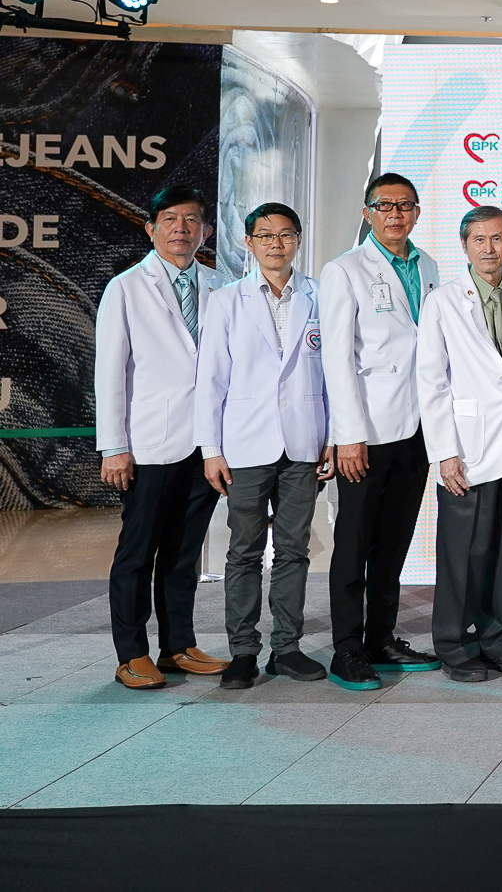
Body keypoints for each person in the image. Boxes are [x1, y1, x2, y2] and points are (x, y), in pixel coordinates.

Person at [95, 186, 232, 689]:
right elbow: (110, 373)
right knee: (138, 552)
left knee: (184, 551)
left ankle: (178, 646)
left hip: (206, 445)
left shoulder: (221, 286)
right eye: (170, 219)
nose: (181, 228)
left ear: (206, 231)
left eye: (191, 220)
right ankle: (131, 654)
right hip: (149, 443)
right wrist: (114, 446)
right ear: (151, 228)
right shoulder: (126, 288)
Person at [193, 202, 331, 690]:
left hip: (304, 443)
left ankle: (287, 649)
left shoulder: (321, 295)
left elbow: (335, 373)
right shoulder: (226, 301)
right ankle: (243, 652)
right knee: (244, 552)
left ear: (298, 240)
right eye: (265, 235)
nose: (276, 243)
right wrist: (210, 449)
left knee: (294, 550)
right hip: (245, 445)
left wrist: (334, 436)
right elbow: (210, 379)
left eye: (286, 234)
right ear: (249, 243)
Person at [319, 172, 443, 690]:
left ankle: (381, 638)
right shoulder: (343, 270)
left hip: (417, 428)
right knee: (354, 542)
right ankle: (347, 649)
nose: (395, 214)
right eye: (384, 205)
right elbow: (336, 358)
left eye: (405, 205)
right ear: (367, 211)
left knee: (394, 542)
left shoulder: (428, 265)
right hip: (366, 431)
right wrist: (348, 434)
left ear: (416, 212)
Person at [416, 205, 502, 682]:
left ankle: (499, 641)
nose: (489, 248)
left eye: (497, 238)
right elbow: (432, 382)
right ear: (465, 245)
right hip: (466, 448)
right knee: (462, 554)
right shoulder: (442, 301)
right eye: (479, 240)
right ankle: (455, 645)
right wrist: (444, 452)